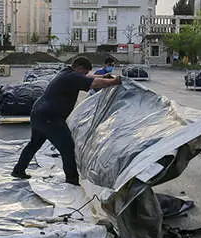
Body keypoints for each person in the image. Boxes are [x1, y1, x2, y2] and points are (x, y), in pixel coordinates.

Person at [12, 57, 121, 185]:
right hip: (50, 117)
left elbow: (89, 78)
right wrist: (115, 81)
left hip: (39, 114)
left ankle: (18, 170)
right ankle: (72, 179)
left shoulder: (66, 72)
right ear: (79, 68)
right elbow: (94, 83)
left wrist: (105, 76)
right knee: (67, 147)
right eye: (84, 72)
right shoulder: (72, 77)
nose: (85, 75)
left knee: (34, 144)